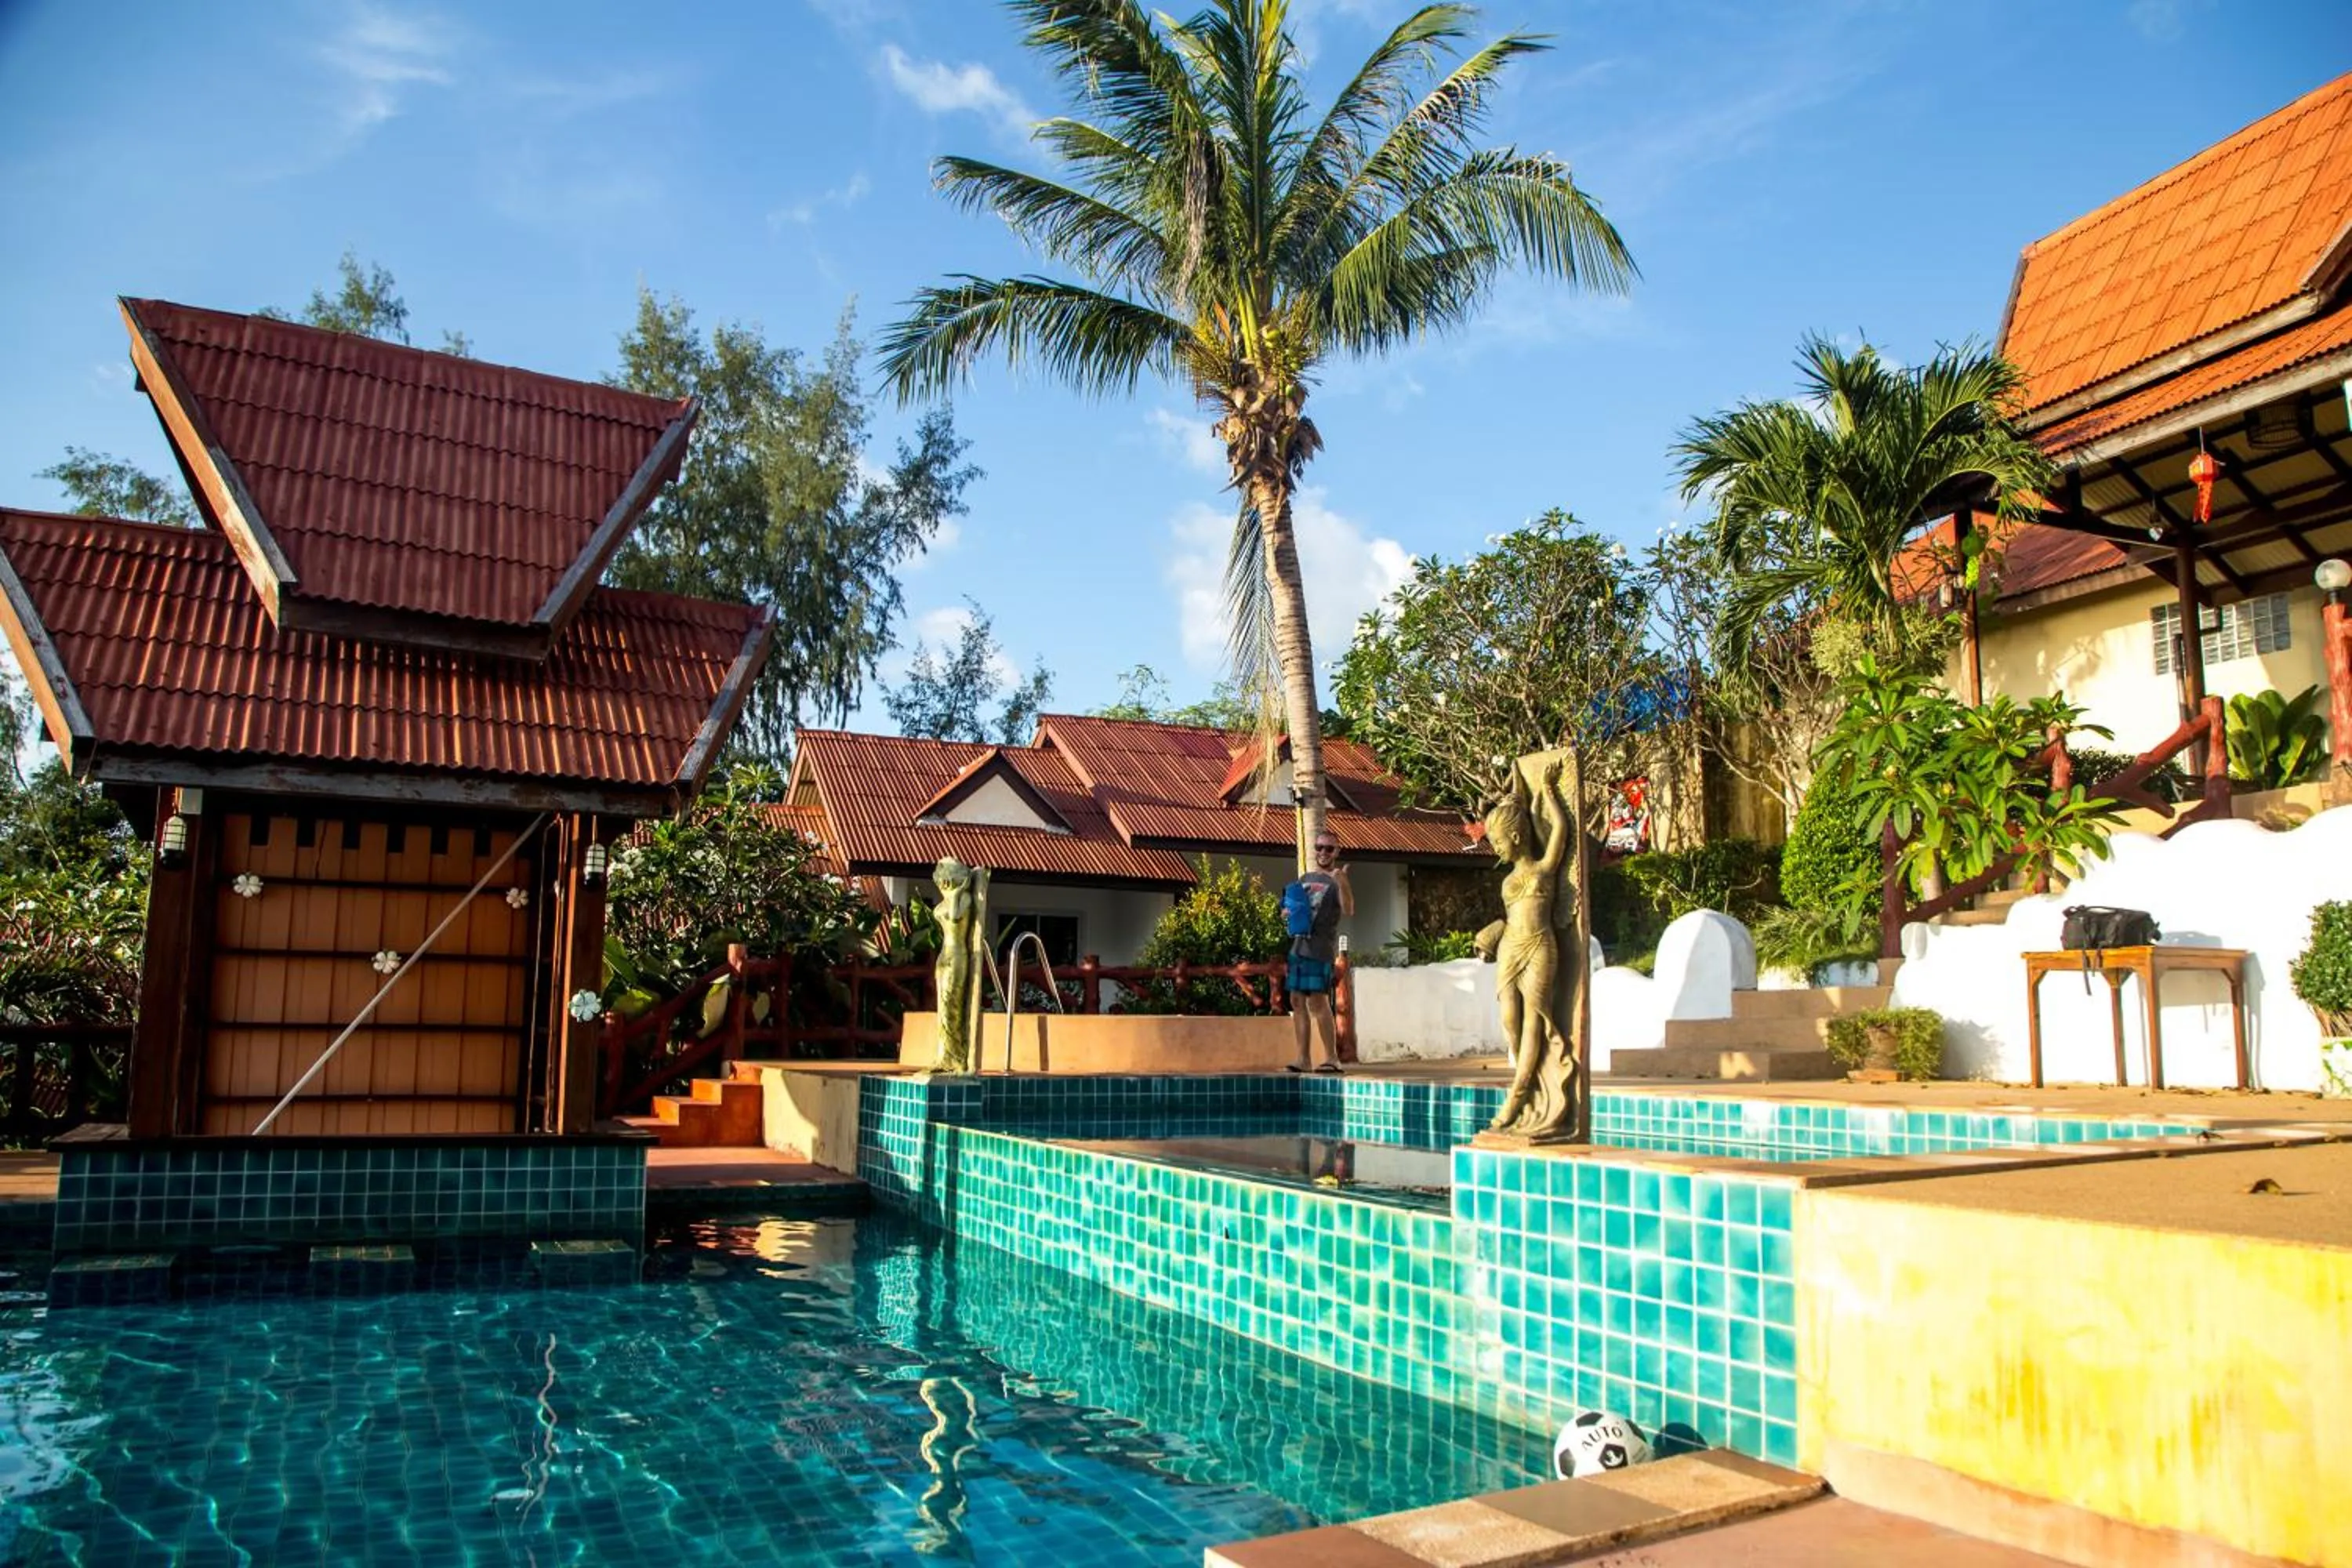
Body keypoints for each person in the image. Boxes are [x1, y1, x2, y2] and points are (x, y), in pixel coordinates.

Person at [1283, 830, 1352, 1074]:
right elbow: (1297, 907)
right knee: (1296, 1001)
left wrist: (1342, 882)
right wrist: (1288, 912)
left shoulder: (1337, 879)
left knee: (1318, 1001)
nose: (1323, 852)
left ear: (1337, 852)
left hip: (1320, 949)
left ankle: (1332, 1058)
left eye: (1329, 849)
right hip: (1298, 947)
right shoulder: (1306, 878)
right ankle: (1303, 1059)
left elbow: (1349, 909)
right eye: (1319, 847)